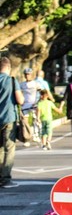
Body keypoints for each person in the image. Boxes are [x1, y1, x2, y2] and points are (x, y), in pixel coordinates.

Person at [0, 57, 25, 188]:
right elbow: (20, 100)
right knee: (8, 148)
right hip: (8, 117)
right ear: (8, 68)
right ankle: (5, 178)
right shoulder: (11, 81)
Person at [20, 67, 42, 145]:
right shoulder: (22, 84)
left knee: (35, 120)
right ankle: (26, 138)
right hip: (25, 105)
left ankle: (36, 136)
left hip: (34, 104)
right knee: (25, 122)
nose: (27, 76)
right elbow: (19, 93)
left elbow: (40, 93)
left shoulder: (36, 83)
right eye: (26, 74)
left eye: (28, 74)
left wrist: (38, 102)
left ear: (31, 75)